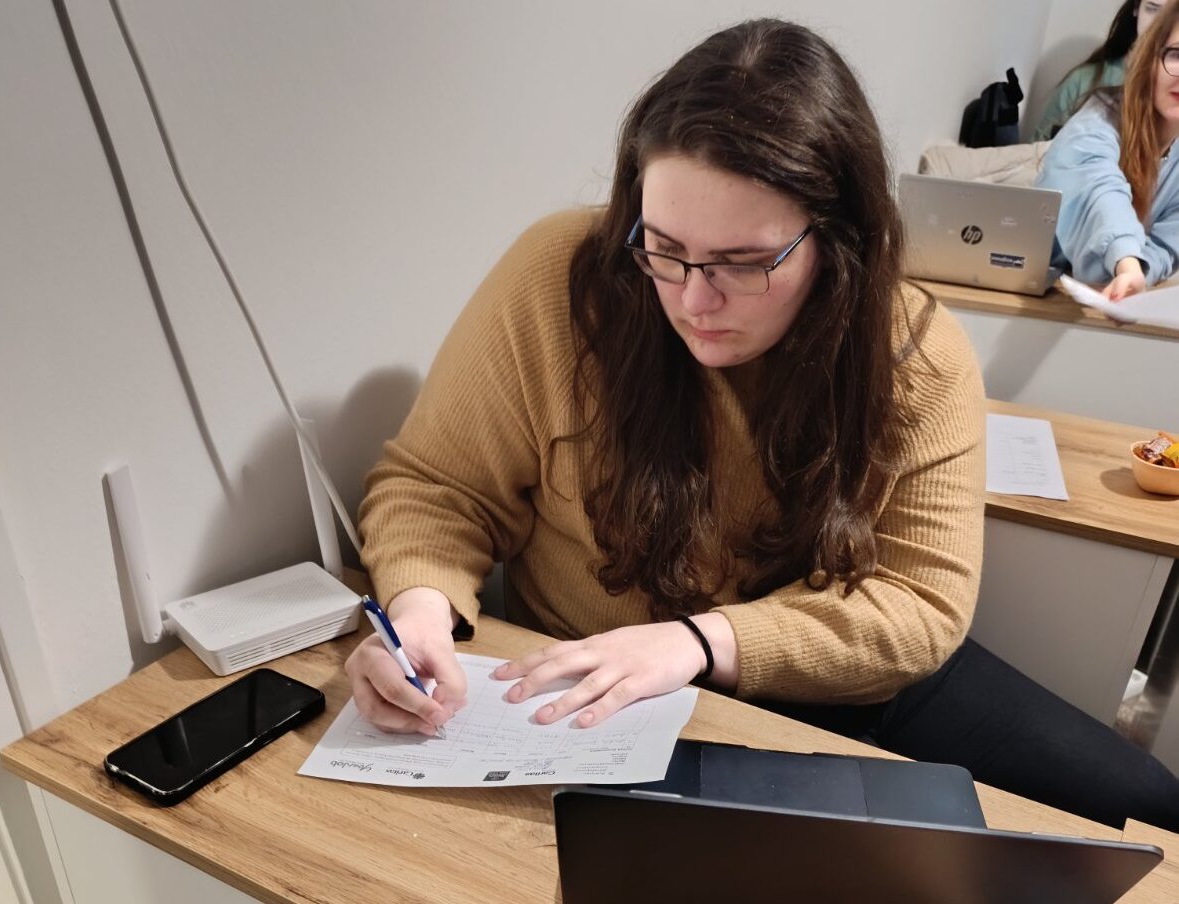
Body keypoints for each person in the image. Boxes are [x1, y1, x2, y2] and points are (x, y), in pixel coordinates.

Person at [348, 18, 1179, 830]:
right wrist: (419, 610)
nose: (692, 298)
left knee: (1145, 804)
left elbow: (920, 604)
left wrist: (698, 642)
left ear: (837, 241)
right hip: (599, 690)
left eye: (743, 263)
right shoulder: (561, 280)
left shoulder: (916, 352)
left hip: (836, 665)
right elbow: (438, 489)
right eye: (662, 246)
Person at [1038, 0, 1179, 299]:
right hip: (1040, 280)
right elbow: (1099, 189)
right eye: (1176, 55)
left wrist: (1138, 272)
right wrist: (1126, 263)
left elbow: (1169, 243)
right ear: (1149, 59)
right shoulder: (1097, 121)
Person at [1033, 0, 1161, 141]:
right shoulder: (1084, 80)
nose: (1161, 23)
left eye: (1173, 13)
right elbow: (1039, 146)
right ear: (1136, 8)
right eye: (1153, 9)